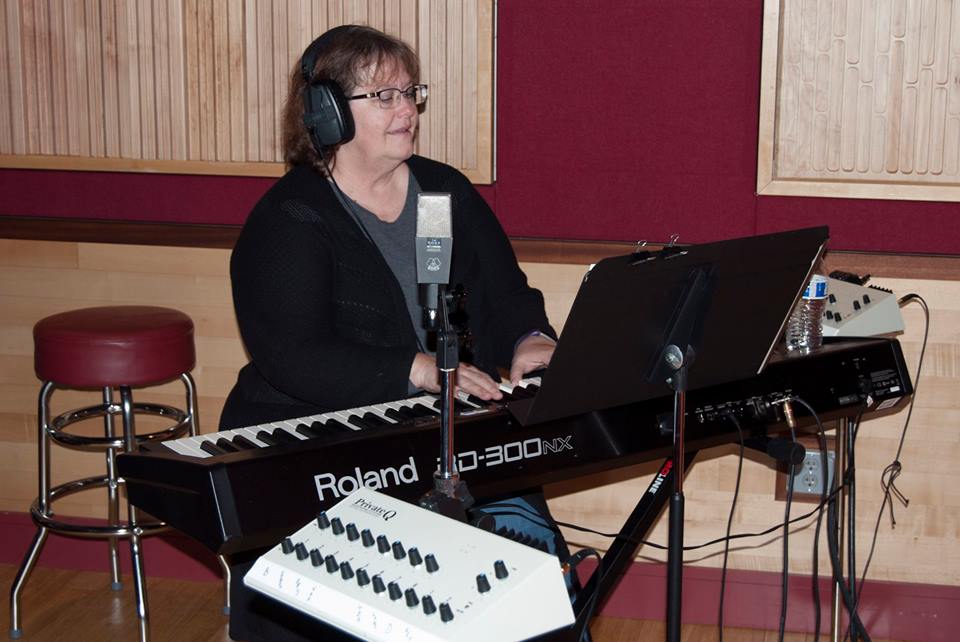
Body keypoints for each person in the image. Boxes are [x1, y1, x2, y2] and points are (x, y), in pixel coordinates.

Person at [220, 24, 572, 641]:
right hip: (314, 439)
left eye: (411, 92)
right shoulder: (291, 218)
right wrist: (415, 369)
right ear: (327, 113)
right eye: (384, 96)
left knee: (528, 571)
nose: (407, 109)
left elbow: (505, 295)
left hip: (436, 427)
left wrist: (530, 340)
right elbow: (293, 354)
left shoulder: (442, 192)